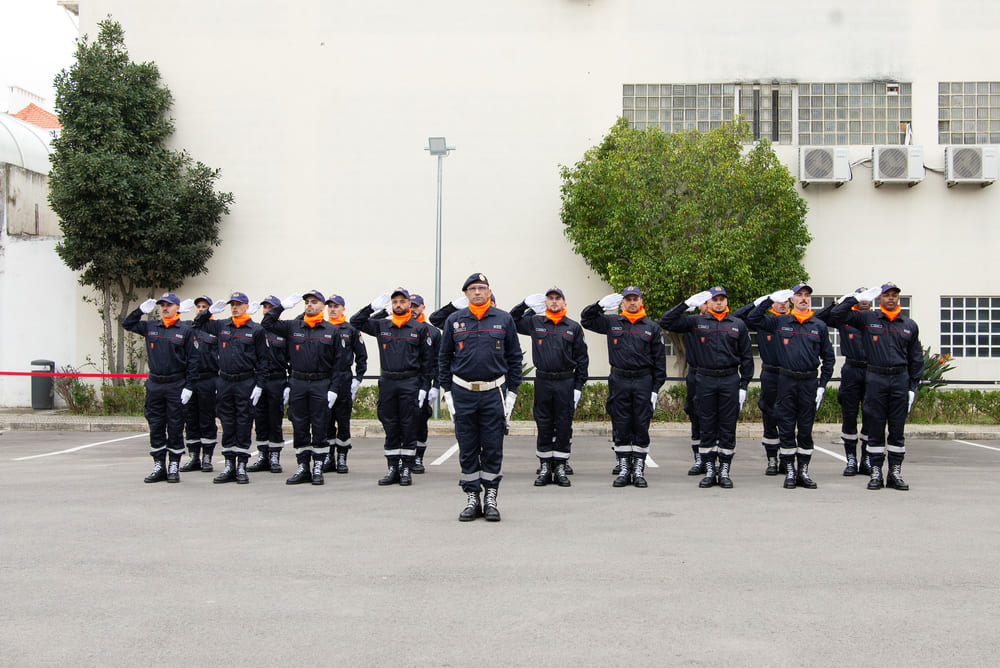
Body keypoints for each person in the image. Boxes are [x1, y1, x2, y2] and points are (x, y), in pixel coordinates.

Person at [439, 273, 523, 521]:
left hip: (493, 393)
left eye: (482, 288)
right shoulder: (454, 321)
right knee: (467, 446)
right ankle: (472, 497)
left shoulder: (504, 319)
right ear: (465, 294)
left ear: (489, 292)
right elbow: (444, 358)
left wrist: (512, 392)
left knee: (493, 446)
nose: (478, 292)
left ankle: (491, 497)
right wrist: (447, 392)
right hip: (463, 392)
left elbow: (515, 358)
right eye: (473, 288)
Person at [829, 282, 922, 491]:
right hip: (875, 378)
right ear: (879, 299)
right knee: (876, 428)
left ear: (899, 298)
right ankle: (876, 473)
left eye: (894, 295)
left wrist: (912, 387)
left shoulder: (909, 325)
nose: (890, 298)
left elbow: (916, 358)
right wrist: (854, 298)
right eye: (886, 295)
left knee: (897, 429)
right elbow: (836, 317)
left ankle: (895, 473)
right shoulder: (868, 319)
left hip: (899, 380)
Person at [660, 287, 753, 489]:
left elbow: (746, 356)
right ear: (708, 303)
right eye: (714, 299)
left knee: (728, 426)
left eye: (722, 299)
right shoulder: (696, 322)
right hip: (705, 379)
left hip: (729, 379)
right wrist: (686, 304)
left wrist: (744, 384)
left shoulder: (737, 325)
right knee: (707, 425)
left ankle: (725, 471)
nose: (718, 303)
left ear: (726, 302)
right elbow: (666, 321)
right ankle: (710, 470)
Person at [748, 284, 835, 489]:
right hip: (785, 381)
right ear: (791, 299)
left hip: (809, 382)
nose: (803, 299)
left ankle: (803, 472)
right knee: (786, 427)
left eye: (807, 296)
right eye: (799, 295)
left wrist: (822, 385)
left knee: (805, 429)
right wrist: (769, 299)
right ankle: (789, 471)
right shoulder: (780, 321)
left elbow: (828, 358)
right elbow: (752, 319)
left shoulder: (818, 326)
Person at [581, 286, 666, 488]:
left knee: (640, 424)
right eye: (628, 299)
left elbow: (659, 362)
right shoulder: (612, 322)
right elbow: (586, 320)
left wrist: (655, 389)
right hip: (619, 380)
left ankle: (638, 468)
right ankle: (624, 467)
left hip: (643, 381)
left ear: (641, 301)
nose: (632, 302)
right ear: (622, 303)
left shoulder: (651, 327)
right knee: (621, 424)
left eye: (635, 299)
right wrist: (600, 305)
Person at [351, 288, 434, 486]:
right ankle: (392, 468)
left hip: (410, 382)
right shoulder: (382, 325)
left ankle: (406, 468)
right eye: (395, 301)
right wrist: (372, 308)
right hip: (388, 381)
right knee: (390, 425)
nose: (398, 304)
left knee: (408, 425)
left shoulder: (419, 328)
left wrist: (424, 387)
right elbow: (355, 322)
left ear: (409, 305)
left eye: (402, 301)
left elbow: (427, 361)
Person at [510, 287, 589, 487]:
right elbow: (511, 321)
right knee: (544, 424)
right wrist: (524, 304)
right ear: (545, 303)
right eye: (550, 298)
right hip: (543, 381)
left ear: (564, 303)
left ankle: (561, 466)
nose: (554, 301)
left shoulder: (573, 327)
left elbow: (582, 359)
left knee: (563, 425)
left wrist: (578, 386)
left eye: (558, 298)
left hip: (565, 382)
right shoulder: (535, 323)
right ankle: (545, 465)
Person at [260, 290, 340, 485]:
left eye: (314, 302)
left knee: (320, 426)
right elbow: (266, 324)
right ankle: (303, 467)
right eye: (307, 302)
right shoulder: (292, 326)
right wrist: (282, 307)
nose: (309, 305)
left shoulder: (332, 330)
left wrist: (334, 389)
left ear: (322, 306)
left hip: (321, 383)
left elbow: (340, 363)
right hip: (298, 383)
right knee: (300, 426)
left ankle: (318, 467)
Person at [191, 291, 269, 484]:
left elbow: (263, 361)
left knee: (243, 423)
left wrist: (260, 385)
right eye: (232, 304)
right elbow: (197, 324)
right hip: (225, 381)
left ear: (246, 306)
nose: (234, 307)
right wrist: (207, 312)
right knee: (227, 423)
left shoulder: (256, 330)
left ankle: (241, 465)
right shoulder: (221, 325)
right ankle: (229, 465)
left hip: (245, 381)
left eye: (238, 304)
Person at [122, 292, 200, 483]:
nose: (164, 308)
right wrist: (139, 311)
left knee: (175, 425)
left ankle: (173, 464)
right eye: (162, 305)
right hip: (155, 384)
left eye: (168, 305)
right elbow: (127, 324)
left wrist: (189, 387)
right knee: (156, 425)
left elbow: (194, 360)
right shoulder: (151, 326)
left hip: (176, 384)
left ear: (177, 308)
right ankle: (159, 465)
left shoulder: (185, 330)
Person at [374, 293, 439, 472]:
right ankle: (395, 466)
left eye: (415, 306)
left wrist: (432, 386)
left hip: (414, 383)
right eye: (396, 302)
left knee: (416, 423)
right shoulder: (388, 326)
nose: (412, 310)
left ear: (421, 307)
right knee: (393, 423)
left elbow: (434, 362)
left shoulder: (428, 331)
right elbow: (360, 322)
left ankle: (414, 461)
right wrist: (380, 310)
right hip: (392, 383)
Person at [816, 288, 872, 476]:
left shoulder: (876, 319)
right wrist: (838, 303)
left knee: (870, 416)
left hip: (872, 371)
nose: (864, 301)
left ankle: (866, 459)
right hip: (851, 371)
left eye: (867, 298)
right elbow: (819, 318)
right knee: (849, 416)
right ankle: (850, 459)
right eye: (860, 298)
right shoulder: (845, 318)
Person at [733, 295, 790, 476]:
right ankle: (772, 459)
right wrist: (758, 302)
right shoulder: (764, 320)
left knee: (788, 418)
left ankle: (787, 460)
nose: (783, 304)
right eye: (779, 300)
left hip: (790, 375)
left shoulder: (794, 321)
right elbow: (738, 316)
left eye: (786, 300)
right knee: (770, 416)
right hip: (771, 374)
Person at [323, 294, 367, 474]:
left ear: (343, 309)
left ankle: (342, 456)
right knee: (326, 420)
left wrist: (358, 378)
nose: (332, 309)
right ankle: (328, 456)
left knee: (342, 421)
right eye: (330, 306)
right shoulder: (322, 328)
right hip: (325, 380)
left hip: (343, 381)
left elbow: (362, 356)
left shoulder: (351, 330)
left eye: (336, 306)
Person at [248, 295, 290, 474]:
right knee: (260, 419)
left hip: (277, 379)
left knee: (274, 419)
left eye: (270, 307)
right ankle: (262, 455)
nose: (266, 310)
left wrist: (289, 383)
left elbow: (291, 358)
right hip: (259, 380)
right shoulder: (257, 331)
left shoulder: (284, 331)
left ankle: (274, 456)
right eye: (264, 307)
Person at [181, 295, 220, 473]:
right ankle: (193, 456)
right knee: (191, 419)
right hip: (191, 380)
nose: (201, 309)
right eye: (198, 306)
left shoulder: (215, 329)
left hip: (208, 378)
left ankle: (207, 458)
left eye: (205, 306)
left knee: (207, 419)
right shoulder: (189, 327)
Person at [679, 303, 710, 475]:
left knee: (714, 418)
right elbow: (670, 321)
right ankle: (699, 459)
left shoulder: (723, 323)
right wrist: (684, 307)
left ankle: (712, 459)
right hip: (695, 374)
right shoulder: (692, 322)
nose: (707, 304)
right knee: (695, 415)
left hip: (713, 375)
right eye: (704, 302)